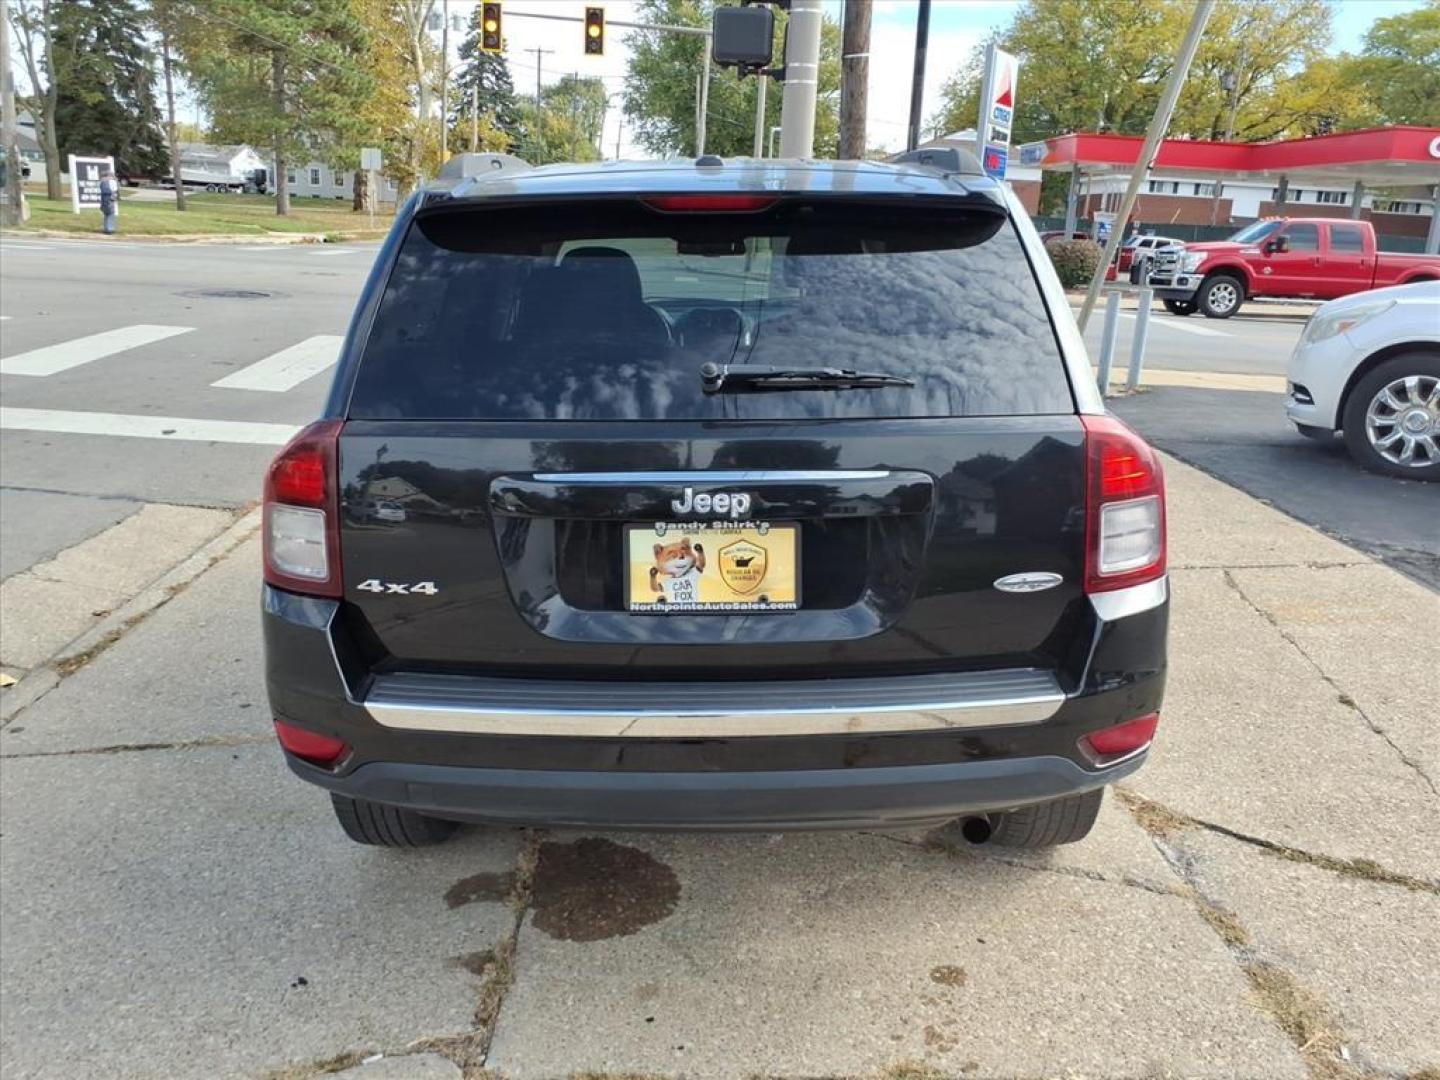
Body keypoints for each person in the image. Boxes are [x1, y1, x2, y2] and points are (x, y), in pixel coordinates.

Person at [99, 170, 120, 235]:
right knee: (110, 214)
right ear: (109, 176)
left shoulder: (102, 182)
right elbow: (114, 190)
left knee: (106, 214)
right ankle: (109, 229)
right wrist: (115, 195)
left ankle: (106, 228)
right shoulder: (109, 182)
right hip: (109, 199)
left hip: (104, 200)